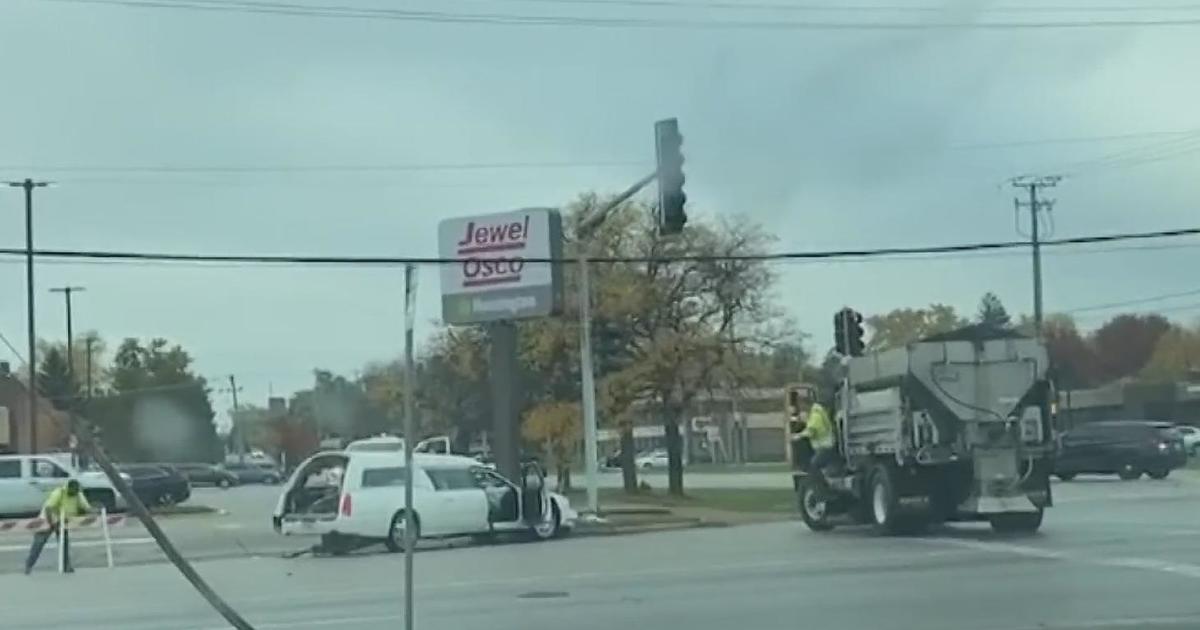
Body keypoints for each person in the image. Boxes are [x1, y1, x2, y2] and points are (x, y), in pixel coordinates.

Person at [24, 479, 91, 575]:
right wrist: (52, 524)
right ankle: (29, 565)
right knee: (39, 543)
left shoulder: (78, 495)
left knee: (64, 544)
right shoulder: (59, 492)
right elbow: (48, 508)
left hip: (63, 521)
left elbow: (86, 508)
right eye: (73, 490)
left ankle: (66, 566)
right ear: (69, 488)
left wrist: (92, 511)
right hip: (48, 519)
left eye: (77, 490)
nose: (75, 492)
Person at [794, 392, 836, 485]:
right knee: (815, 466)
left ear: (806, 404)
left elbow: (811, 431)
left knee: (813, 466)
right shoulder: (817, 413)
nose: (801, 409)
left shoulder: (816, 415)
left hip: (825, 447)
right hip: (825, 447)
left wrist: (798, 436)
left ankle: (823, 490)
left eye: (802, 406)